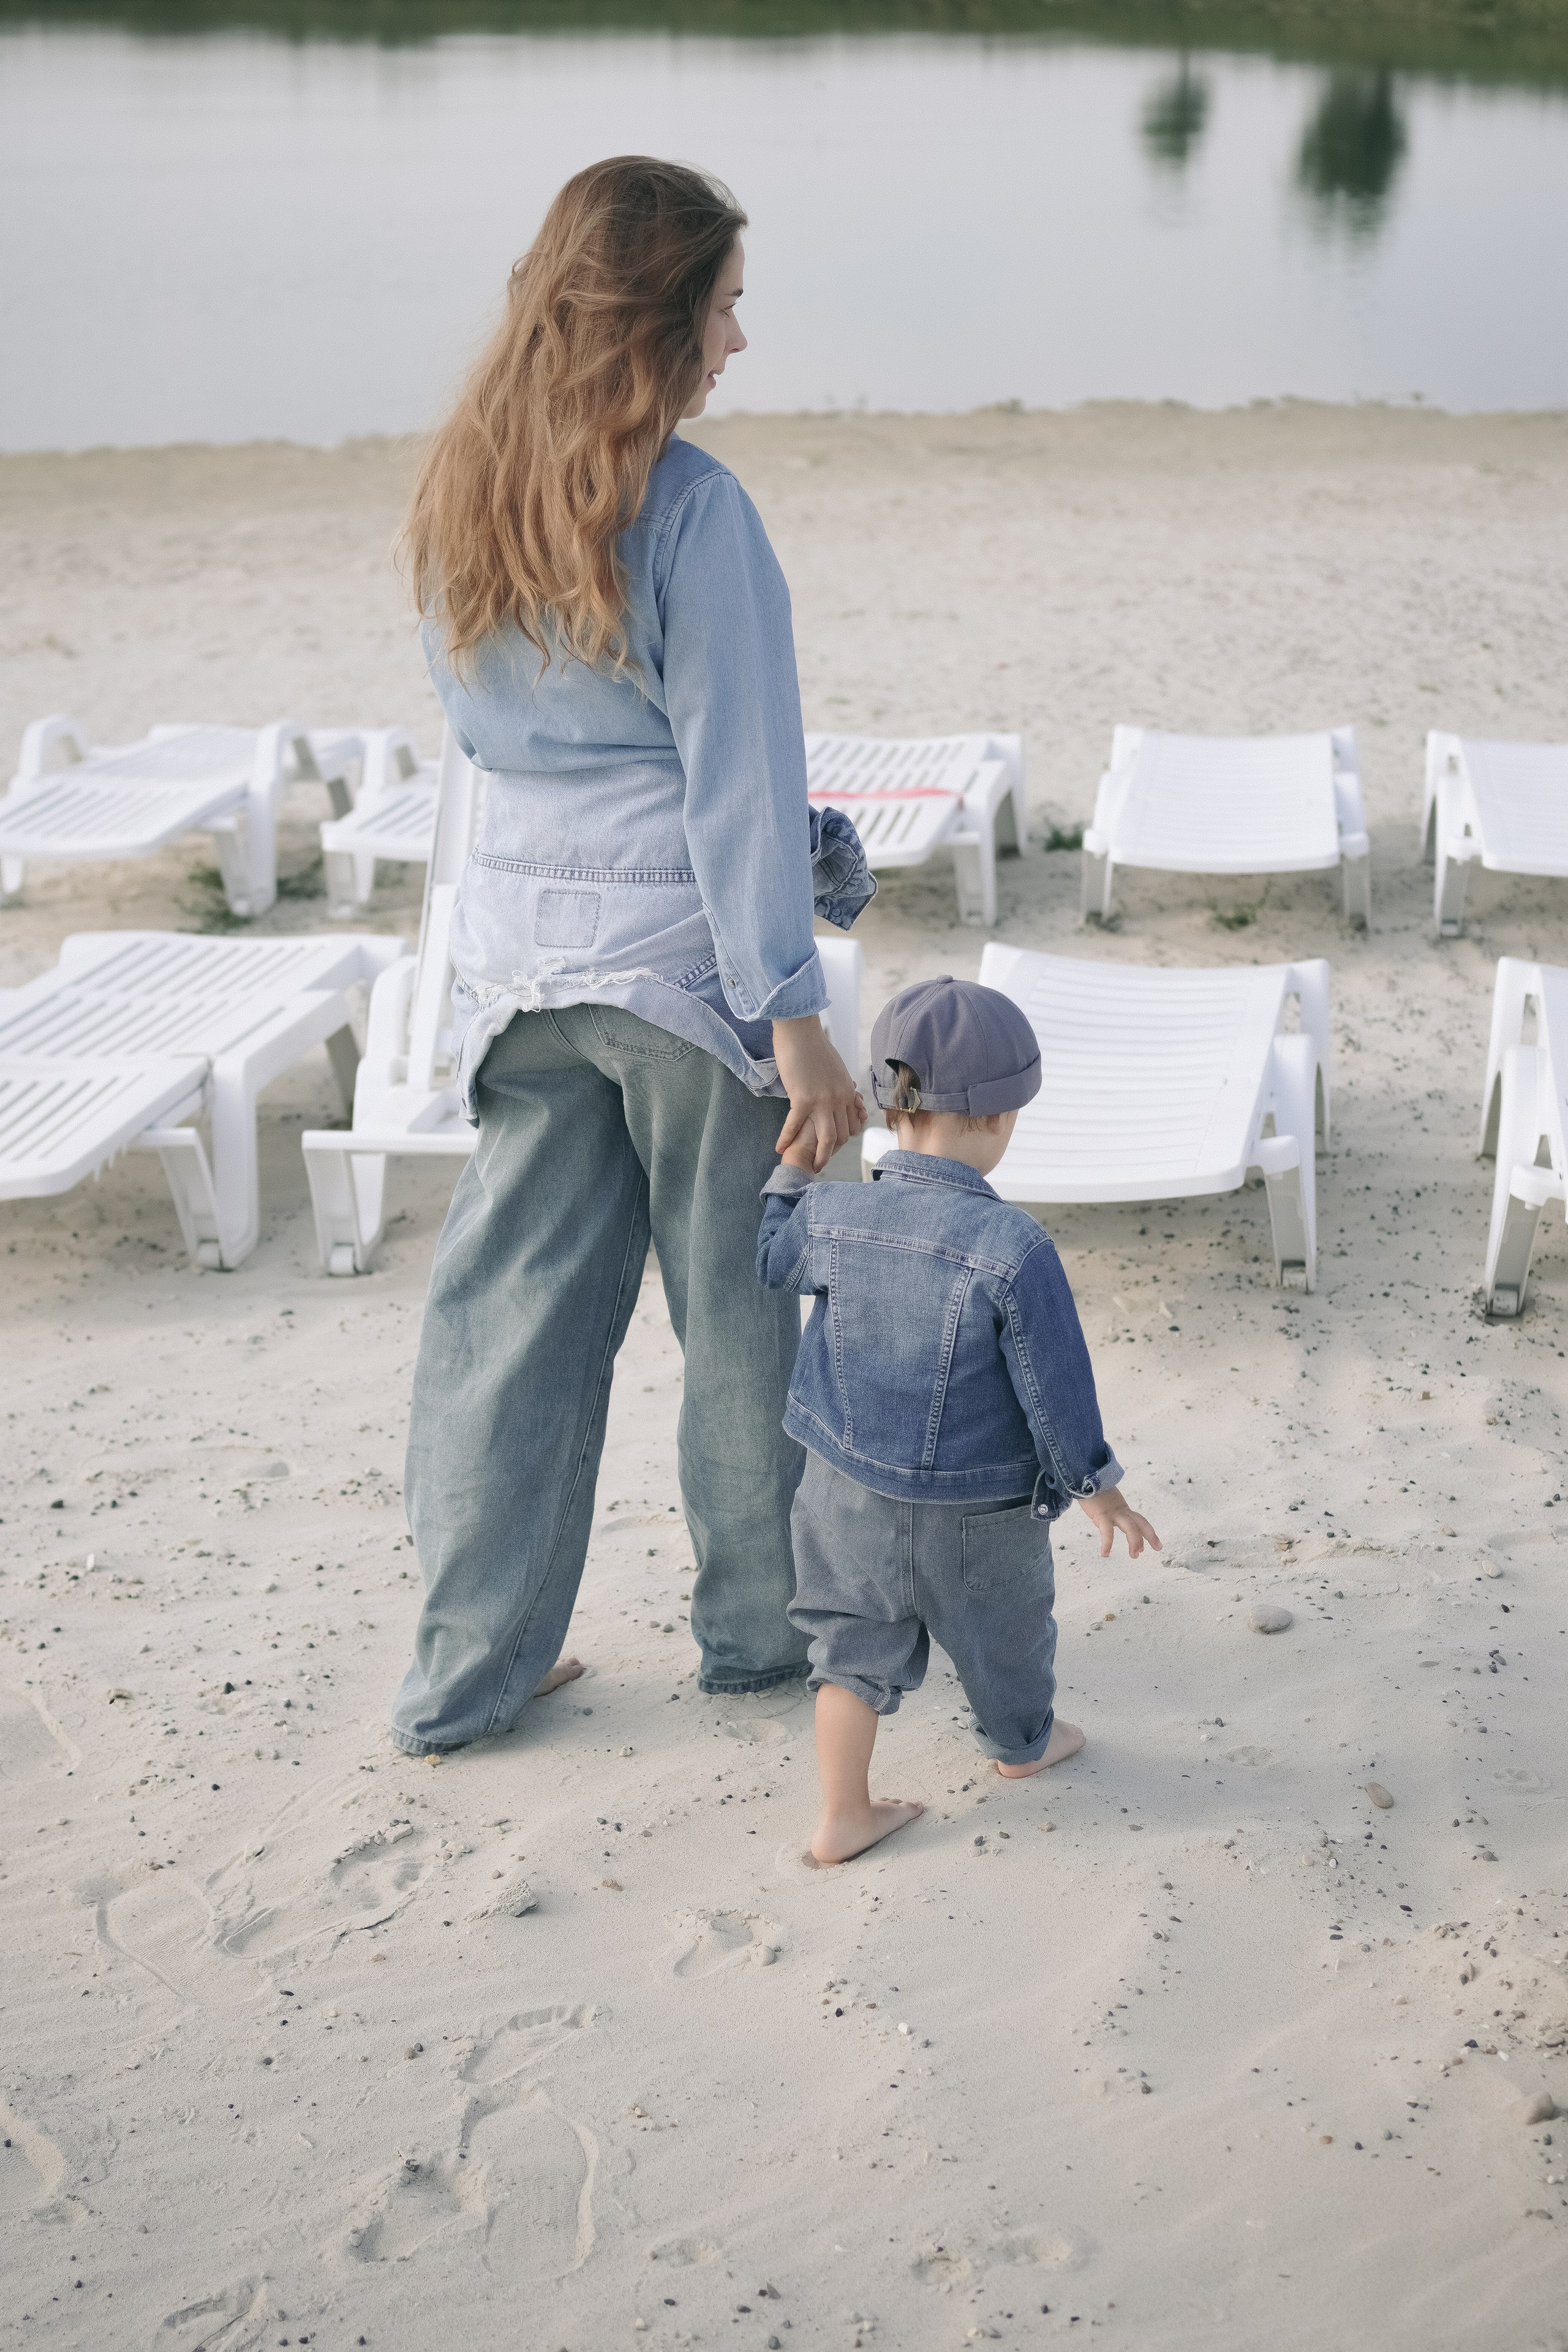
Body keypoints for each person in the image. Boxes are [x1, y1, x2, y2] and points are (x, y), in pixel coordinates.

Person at [390, 157, 872, 1758]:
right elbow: (734, 781)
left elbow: (484, 745)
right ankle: (758, 1640)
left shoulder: (466, 483)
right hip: (682, 973)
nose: (742, 340)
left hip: (524, 966)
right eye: (726, 307)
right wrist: (791, 1011)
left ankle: (470, 1668)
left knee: (506, 1321)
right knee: (735, 1318)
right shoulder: (696, 508)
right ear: (657, 320)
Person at [756, 976, 1161, 1864]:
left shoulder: (834, 1212)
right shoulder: (1015, 1245)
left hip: (843, 1487)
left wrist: (795, 1172)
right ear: (996, 1119)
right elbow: (1055, 1386)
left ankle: (843, 1815)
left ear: (891, 1106)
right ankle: (1023, 1747)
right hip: (976, 1510)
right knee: (1006, 1634)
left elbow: (773, 1260)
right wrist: (1097, 1489)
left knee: (846, 1648)